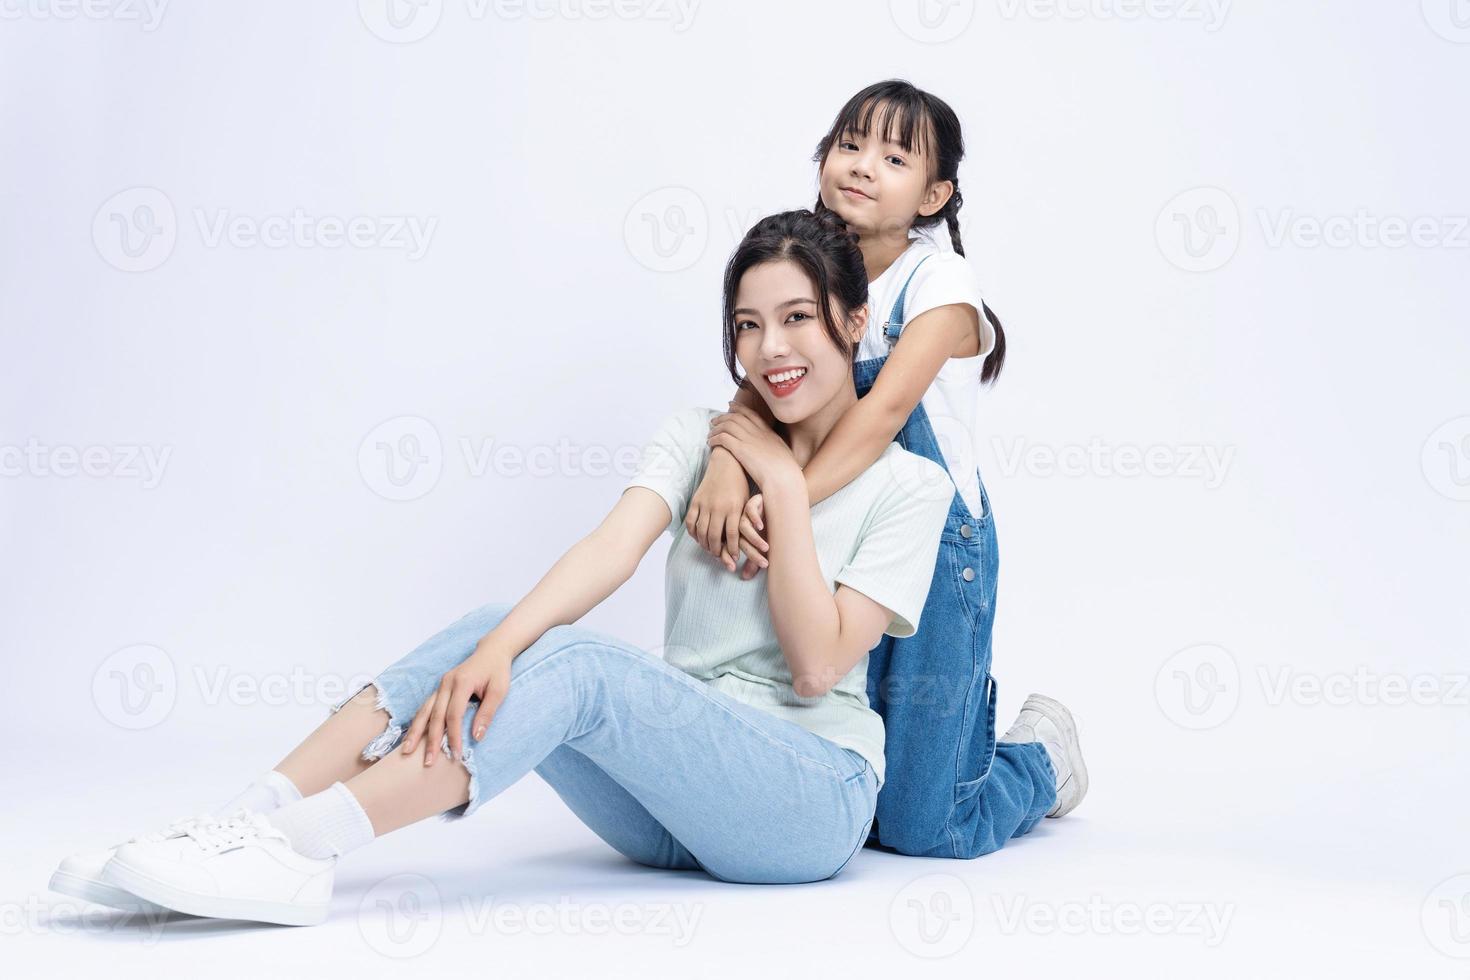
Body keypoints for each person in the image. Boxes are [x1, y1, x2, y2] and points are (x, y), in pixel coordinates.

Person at [48, 209, 1076, 929]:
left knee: (581, 667)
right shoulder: (700, 435)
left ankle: (304, 849)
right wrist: (494, 649)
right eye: (748, 325)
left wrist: (787, 489)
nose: (771, 349)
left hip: (808, 800)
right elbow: (609, 547)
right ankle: (245, 818)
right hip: (679, 805)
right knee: (509, 620)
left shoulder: (909, 488)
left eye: (800, 317)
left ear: (856, 323)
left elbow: (815, 665)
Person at [686, 80, 1088, 858]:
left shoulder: (937, 283)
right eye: (850, 145)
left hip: (938, 549)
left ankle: (1038, 760)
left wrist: (778, 500)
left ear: (934, 194)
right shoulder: (811, 266)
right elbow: (758, 387)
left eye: (894, 156)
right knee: (857, 778)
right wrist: (723, 474)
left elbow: (876, 420)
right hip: (841, 533)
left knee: (922, 825)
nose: (863, 165)